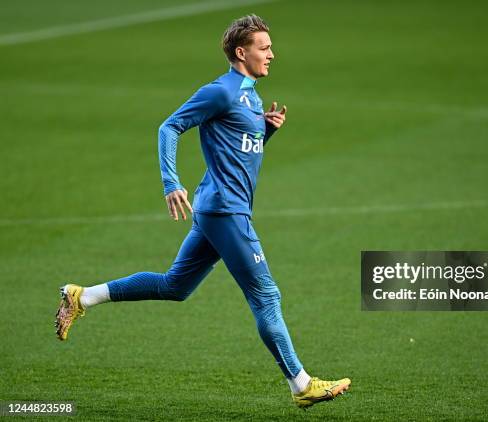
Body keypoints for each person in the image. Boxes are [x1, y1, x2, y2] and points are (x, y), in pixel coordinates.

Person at [54, 14, 350, 409]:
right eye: (265, 48)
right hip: (226, 211)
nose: (272, 55)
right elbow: (169, 127)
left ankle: (82, 296)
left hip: (217, 207)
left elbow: (237, 149)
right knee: (266, 296)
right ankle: (301, 385)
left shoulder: (251, 95)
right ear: (241, 53)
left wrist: (266, 130)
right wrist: (170, 182)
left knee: (175, 286)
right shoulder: (221, 91)